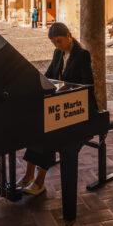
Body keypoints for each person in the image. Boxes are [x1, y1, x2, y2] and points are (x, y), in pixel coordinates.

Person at [18, 22, 96, 196]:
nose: (57, 46)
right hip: (61, 108)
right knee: (38, 129)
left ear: (68, 35)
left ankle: (40, 181)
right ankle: (29, 175)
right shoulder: (58, 53)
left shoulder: (82, 55)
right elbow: (49, 75)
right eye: (54, 43)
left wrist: (67, 90)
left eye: (59, 41)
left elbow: (88, 84)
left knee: (50, 134)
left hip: (77, 109)